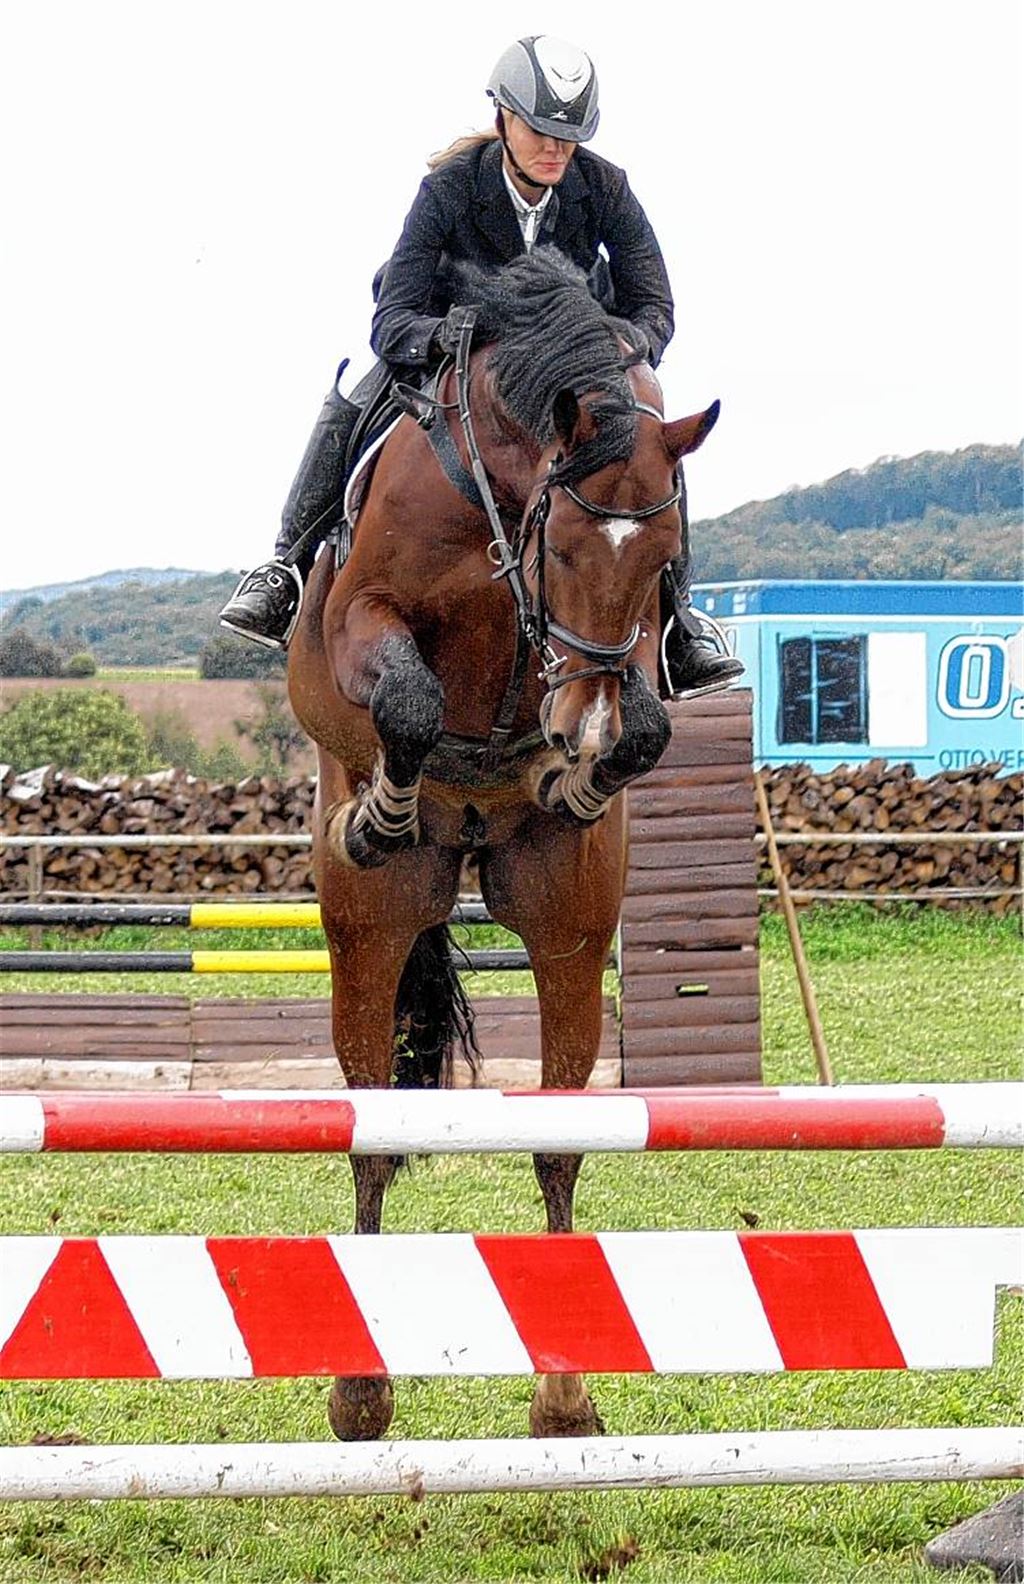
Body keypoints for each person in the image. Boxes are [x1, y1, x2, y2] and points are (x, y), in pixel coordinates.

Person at [220, 35, 743, 698]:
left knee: (648, 436)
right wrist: (444, 333)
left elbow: (655, 306)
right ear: (503, 117)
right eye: (540, 131)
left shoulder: (605, 188)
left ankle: (678, 625)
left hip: (568, 365)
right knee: (355, 393)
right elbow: (392, 319)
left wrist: (621, 348)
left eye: (568, 136)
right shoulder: (449, 189)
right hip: (452, 348)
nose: (555, 149)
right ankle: (285, 570)